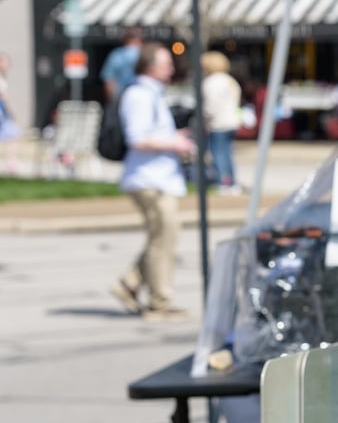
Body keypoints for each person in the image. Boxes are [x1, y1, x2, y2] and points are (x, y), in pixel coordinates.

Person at [110, 43, 194, 322]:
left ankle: (130, 283)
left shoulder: (151, 94)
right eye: (166, 63)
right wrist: (175, 142)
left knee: (162, 237)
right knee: (164, 240)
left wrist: (176, 136)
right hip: (150, 179)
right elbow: (137, 137)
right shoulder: (139, 95)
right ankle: (159, 303)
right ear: (150, 66)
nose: (171, 68)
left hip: (160, 177)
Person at [200, 50, 243, 194]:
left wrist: (205, 119)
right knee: (228, 153)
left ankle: (223, 183)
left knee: (218, 154)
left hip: (218, 123)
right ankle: (231, 182)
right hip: (231, 121)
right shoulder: (230, 80)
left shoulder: (210, 82)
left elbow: (210, 107)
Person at [100, 28, 143, 104]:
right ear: (139, 40)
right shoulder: (143, 54)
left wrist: (112, 101)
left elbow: (108, 80)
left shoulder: (116, 55)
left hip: (120, 97)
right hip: (140, 96)